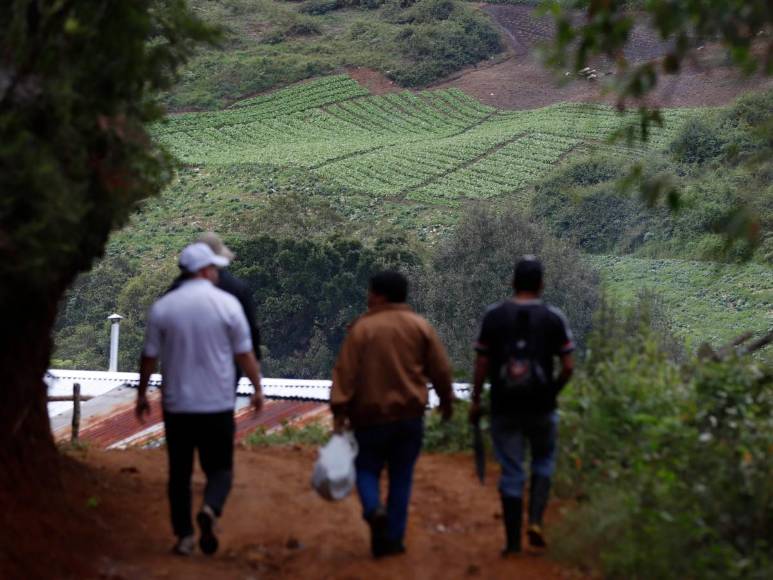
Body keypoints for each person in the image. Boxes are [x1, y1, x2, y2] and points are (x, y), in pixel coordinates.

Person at [135, 242, 264, 557]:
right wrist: (257, 388)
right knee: (219, 469)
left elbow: (149, 357)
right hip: (216, 404)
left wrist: (141, 394)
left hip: (178, 405)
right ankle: (210, 507)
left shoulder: (164, 306)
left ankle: (184, 537)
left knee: (179, 473)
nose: (217, 274)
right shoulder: (226, 304)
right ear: (204, 271)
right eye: (214, 269)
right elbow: (244, 353)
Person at [330, 271, 454, 558]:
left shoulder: (361, 329)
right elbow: (441, 370)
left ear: (379, 296)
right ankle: (394, 539)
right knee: (401, 477)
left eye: (370, 292)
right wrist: (446, 402)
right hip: (409, 419)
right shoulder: (419, 326)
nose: (367, 297)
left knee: (365, 469)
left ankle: (374, 510)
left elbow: (344, 374)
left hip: (369, 420)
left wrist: (339, 412)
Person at [469, 256, 574, 556]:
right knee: (543, 460)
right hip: (542, 408)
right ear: (541, 284)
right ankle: (537, 522)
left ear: (513, 282)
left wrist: (477, 400)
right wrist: (551, 392)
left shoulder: (494, 317)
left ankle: (513, 543)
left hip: (505, 407)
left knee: (512, 469)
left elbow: (481, 363)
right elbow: (568, 366)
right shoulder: (554, 318)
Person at [167, 232, 262, 374]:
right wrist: (255, 375)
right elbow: (251, 334)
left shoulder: (174, 291)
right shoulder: (237, 288)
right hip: (226, 371)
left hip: (184, 370)